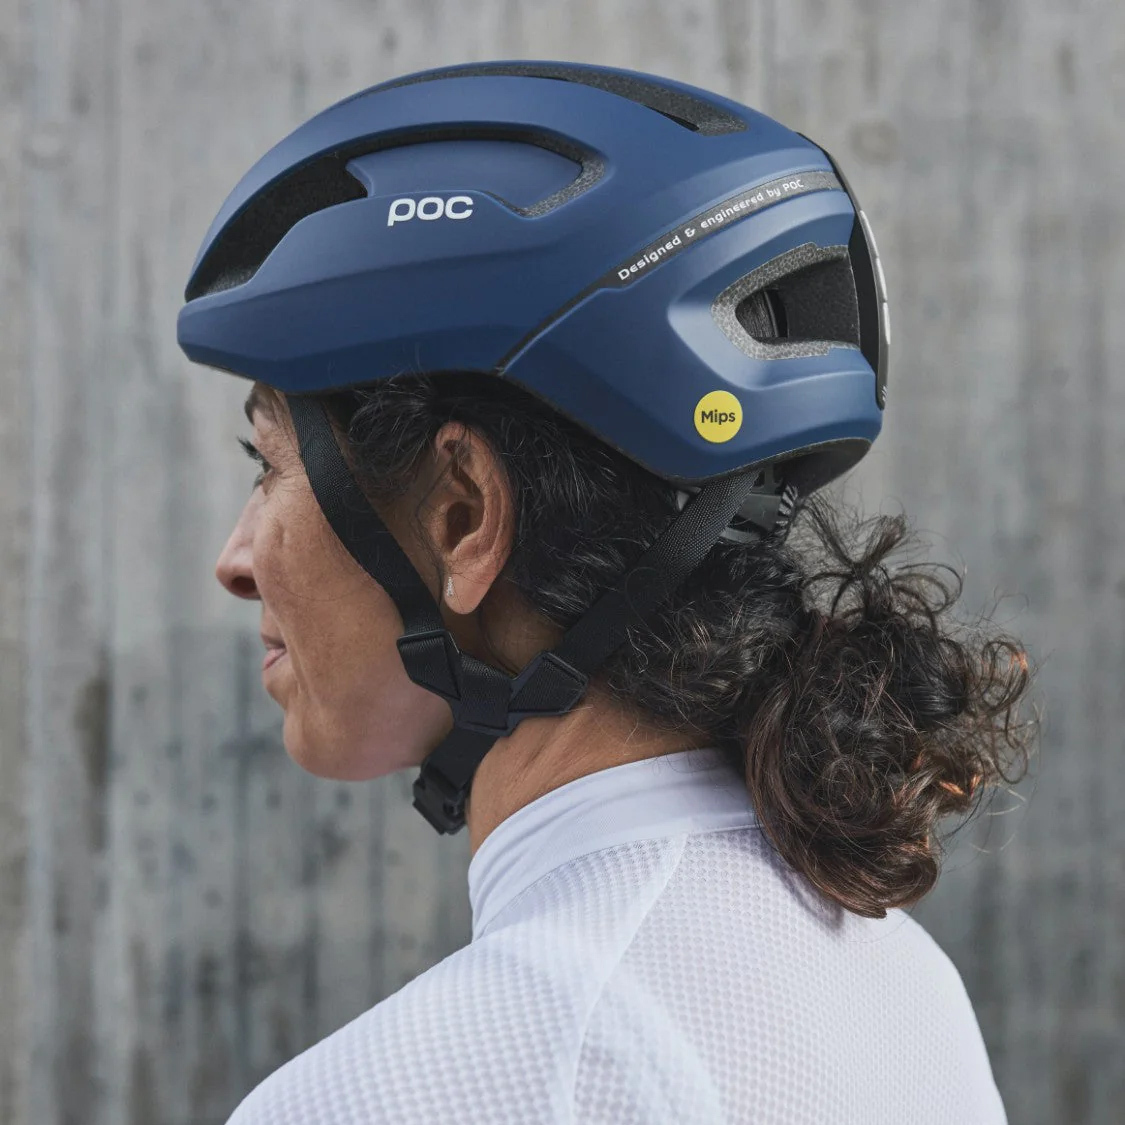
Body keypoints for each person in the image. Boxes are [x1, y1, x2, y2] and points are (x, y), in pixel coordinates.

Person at [182, 61, 1036, 1124]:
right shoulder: (902, 985)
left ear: (461, 517)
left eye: (267, 464)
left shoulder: (415, 1091)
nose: (234, 559)